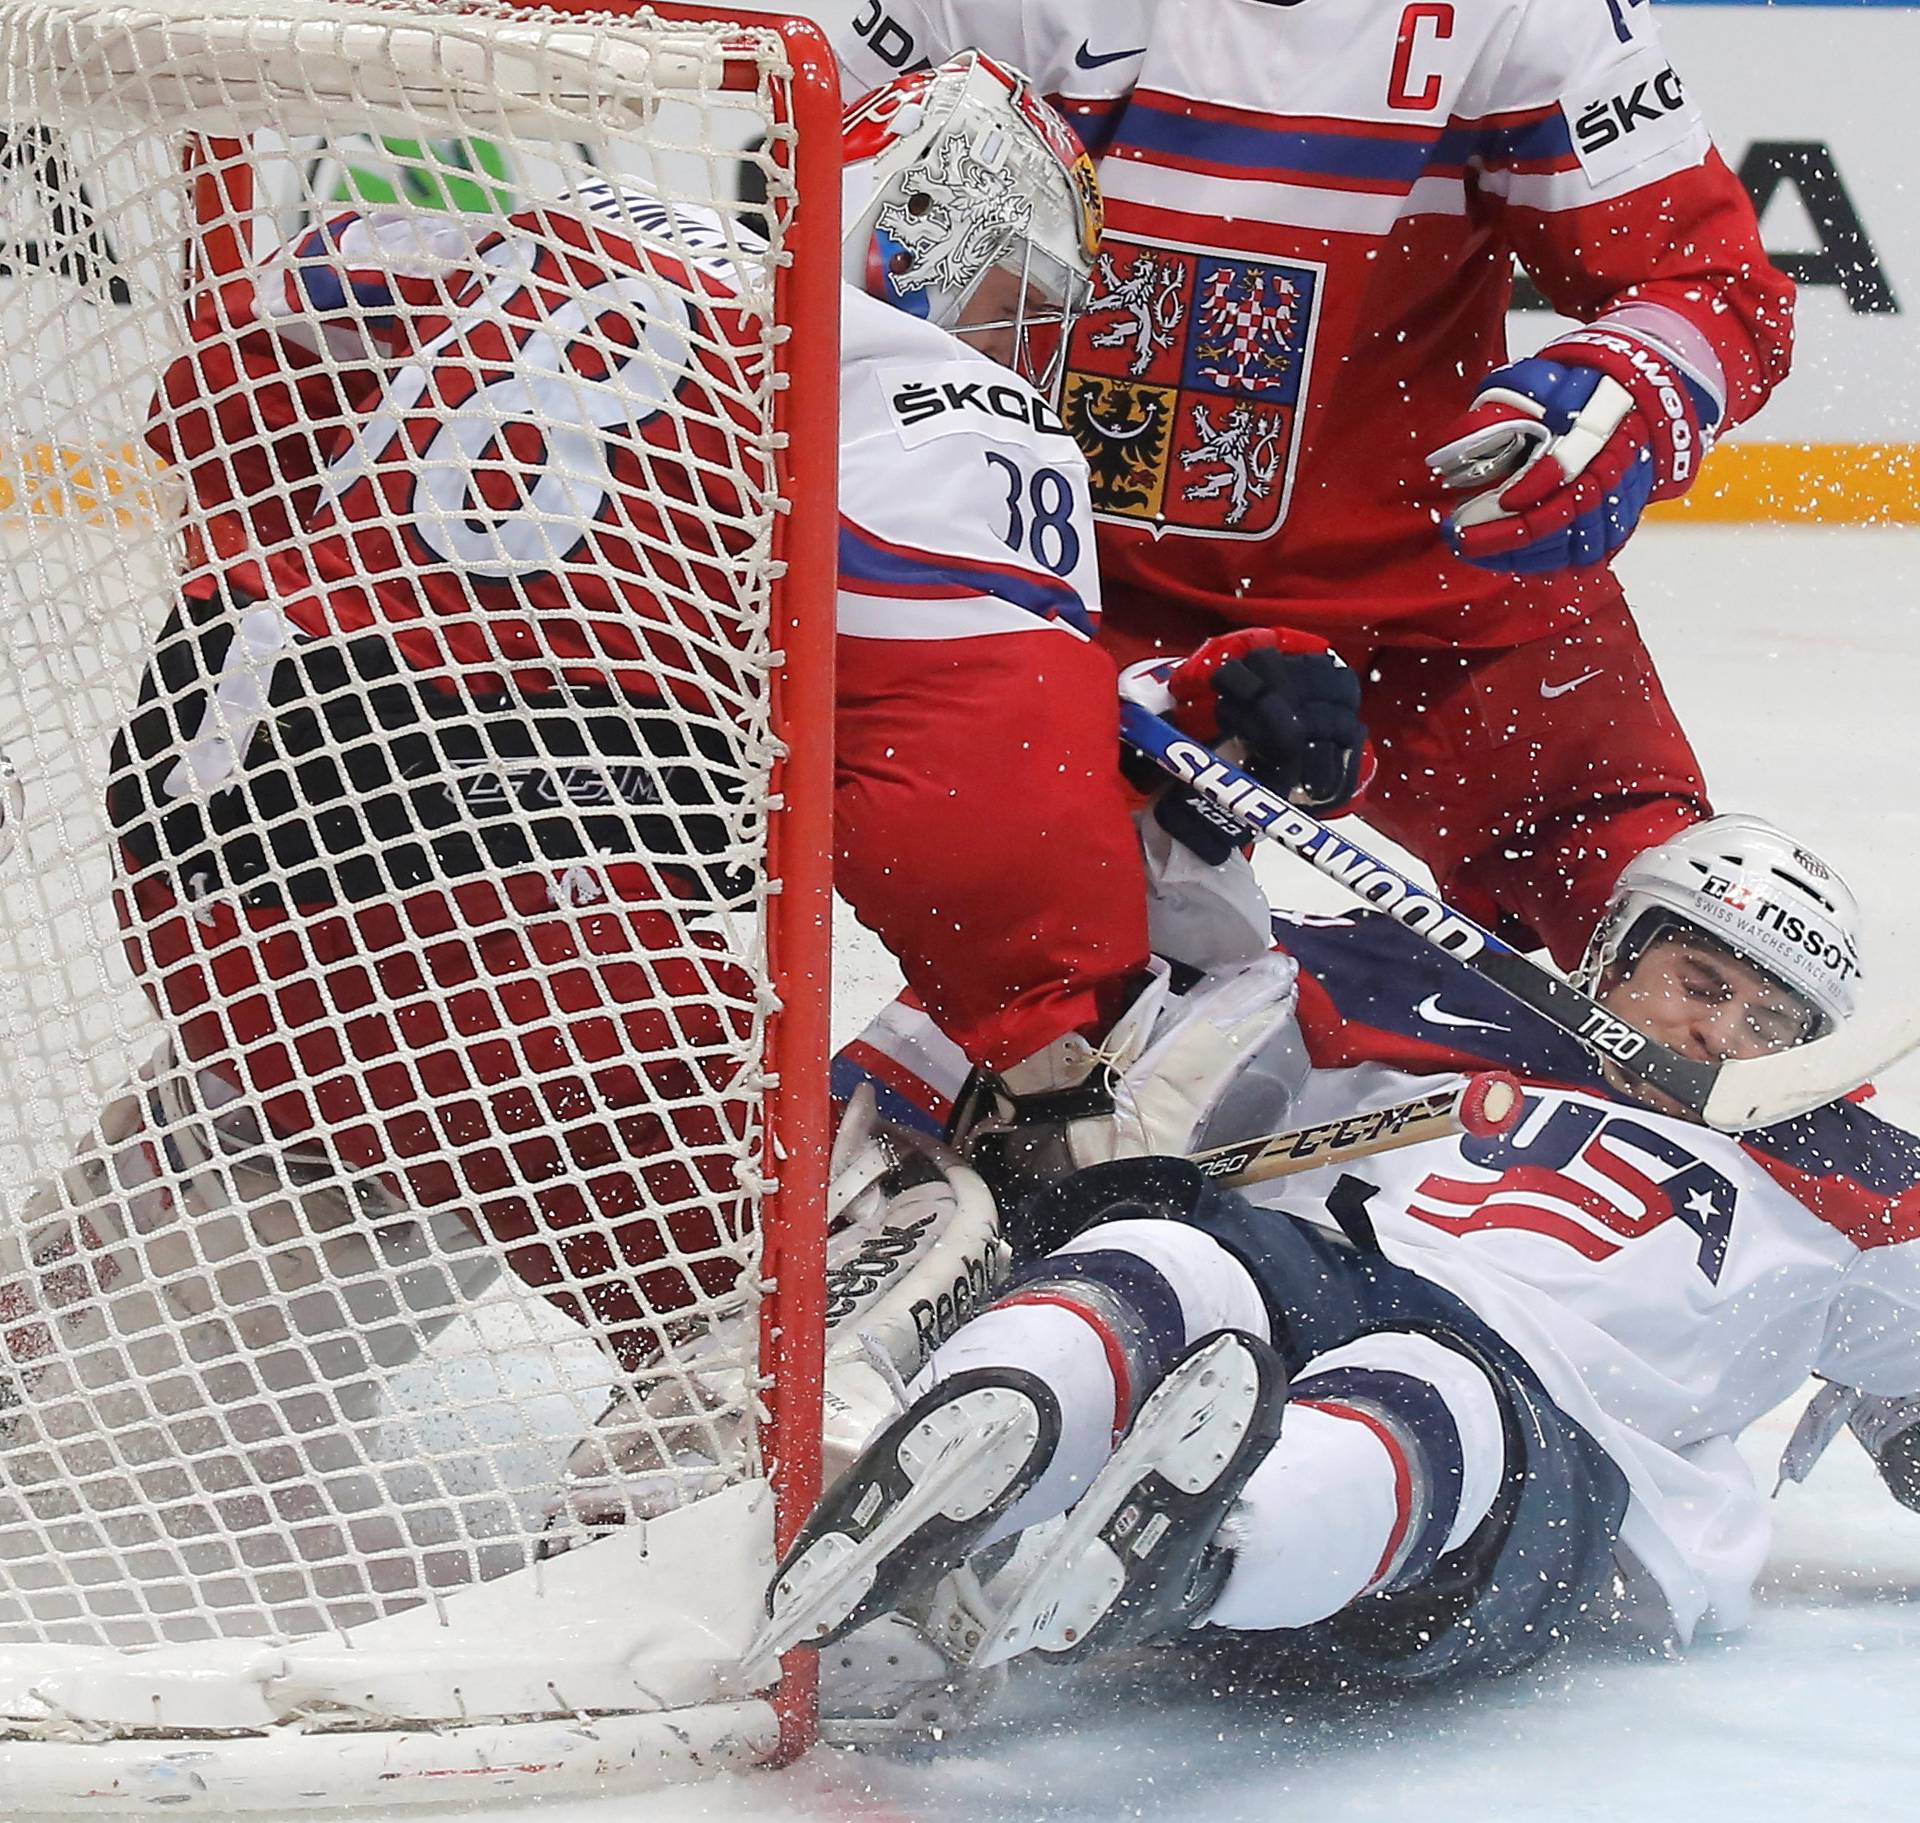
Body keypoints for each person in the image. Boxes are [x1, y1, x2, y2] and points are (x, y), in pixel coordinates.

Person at [0, 57, 1370, 1589]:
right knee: (872, 1212)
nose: (1012, 341)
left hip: (206, 816)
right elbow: (975, 792)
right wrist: (1057, 1053)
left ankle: (49, 1365)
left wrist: (1150, 708)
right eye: (1011, 291)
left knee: (347, 1076)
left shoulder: (562, 235)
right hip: (498, 880)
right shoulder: (928, 384)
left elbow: (234, 401)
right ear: (925, 240)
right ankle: (687, 1573)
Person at [761, 814, 1920, 1702]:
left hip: (1561, 1431)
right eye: (1699, 985)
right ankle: (953, 1443)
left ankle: (1204, 1550)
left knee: (1435, 1398)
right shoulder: (1430, 987)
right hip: (1324, 1267)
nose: (1719, 1033)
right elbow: (1125, 963)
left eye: (1766, 1023)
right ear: (1614, 952)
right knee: (1162, 1255)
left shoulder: (1854, 1171)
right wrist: (1177, 830)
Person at [817, 0, 1794, 970]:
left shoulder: (1526, 12)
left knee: (1685, 956)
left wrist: (1630, 384)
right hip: (1078, 593)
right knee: (1065, 1004)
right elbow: (785, 208)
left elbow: (1712, 284)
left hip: (1435, 598)